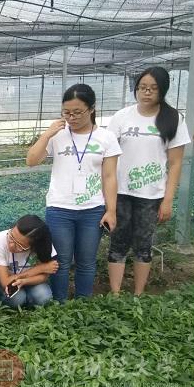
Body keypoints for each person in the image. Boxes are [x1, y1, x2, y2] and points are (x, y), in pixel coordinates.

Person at [27, 83, 121, 302]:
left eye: (77, 112)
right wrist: (47, 134)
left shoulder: (106, 138)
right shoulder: (58, 135)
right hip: (59, 208)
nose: (71, 117)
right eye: (66, 112)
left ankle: (83, 302)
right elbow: (31, 160)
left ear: (92, 109)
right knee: (60, 261)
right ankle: (59, 302)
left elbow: (109, 177)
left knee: (86, 261)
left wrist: (111, 210)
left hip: (92, 209)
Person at [107, 67, 191, 295]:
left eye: (153, 88)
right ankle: (115, 294)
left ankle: (138, 294)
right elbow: (108, 156)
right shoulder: (122, 116)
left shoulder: (173, 119)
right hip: (121, 192)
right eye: (142, 87)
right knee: (118, 241)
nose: (147, 92)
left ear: (162, 90)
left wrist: (168, 200)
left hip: (151, 194)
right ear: (136, 89)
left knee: (143, 244)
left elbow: (175, 163)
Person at [0, 215, 58, 308]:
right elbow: (5, 282)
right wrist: (39, 269)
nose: (11, 245)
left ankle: (28, 300)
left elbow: (44, 277)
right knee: (17, 299)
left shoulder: (43, 246)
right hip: (4, 282)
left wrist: (24, 281)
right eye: (11, 236)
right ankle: (24, 300)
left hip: (31, 281)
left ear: (34, 246)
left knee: (44, 297)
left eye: (19, 245)